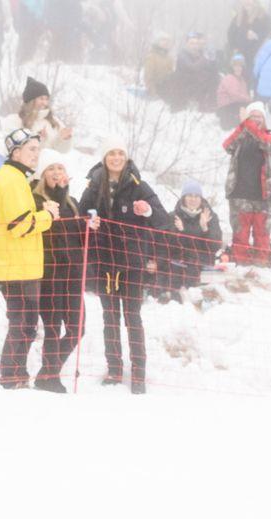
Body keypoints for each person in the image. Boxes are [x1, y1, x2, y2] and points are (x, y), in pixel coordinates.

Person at [77, 137, 168, 395]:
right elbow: (80, 216)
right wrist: (87, 222)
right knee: (110, 318)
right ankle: (115, 367)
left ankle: (138, 372)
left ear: (126, 157)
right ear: (104, 158)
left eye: (120, 153)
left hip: (132, 263)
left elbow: (163, 220)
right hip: (105, 260)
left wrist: (148, 211)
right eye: (111, 153)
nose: (116, 158)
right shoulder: (94, 185)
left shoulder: (139, 185)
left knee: (133, 317)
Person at [0, 129, 57, 389]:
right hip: (17, 266)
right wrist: (47, 215)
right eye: (31, 150)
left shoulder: (11, 178)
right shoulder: (13, 180)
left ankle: (15, 375)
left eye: (38, 150)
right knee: (23, 324)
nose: (36, 155)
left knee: (22, 323)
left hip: (15, 264)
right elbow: (19, 225)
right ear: (15, 153)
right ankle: (12, 377)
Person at [31, 150, 84, 393]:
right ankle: (49, 376)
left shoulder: (72, 202)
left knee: (78, 327)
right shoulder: (36, 198)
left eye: (60, 168)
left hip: (72, 272)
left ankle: (46, 372)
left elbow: (75, 234)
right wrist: (60, 197)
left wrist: (88, 225)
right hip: (49, 271)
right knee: (52, 326)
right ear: (42, 174)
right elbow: (51, 227)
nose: (56, 173)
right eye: (51, 168)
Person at [224, 102, 271, 265]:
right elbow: (227, 145)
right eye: (252, 116)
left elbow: (268, 145)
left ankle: (261, 265)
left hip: (263, 195)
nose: (256, 120)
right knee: (240, 234)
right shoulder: (241, 135)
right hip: (240, 194)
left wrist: (247, 123)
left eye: (259, 116)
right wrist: (243, 126)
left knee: (262, 234)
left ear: (265, 119)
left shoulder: (269, 136)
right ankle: (241, 264)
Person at [161, 180, 223, 297]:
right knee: (176, 296)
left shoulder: (211, 217)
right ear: (184, 198)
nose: (193, 199)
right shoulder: (173, 216)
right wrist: (179, 231)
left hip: (205, 262)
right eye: (189, 196)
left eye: (196, 196)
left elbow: (215, 246)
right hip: (180, 262)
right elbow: (169, 245)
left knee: (211, 294)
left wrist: (205, 229)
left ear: (201, 199)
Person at [0, 77, 73, 154]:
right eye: (41, 99)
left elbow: (61, 152)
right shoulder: (14, 120)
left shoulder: (54, 121)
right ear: (31, 100)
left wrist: (64, 139)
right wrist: (37, 140)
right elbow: (11, 150)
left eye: (46, 99)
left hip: (50, 165)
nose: (44, 103)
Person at [226, 0, 271, 77]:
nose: (247, 2)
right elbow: (230, 34)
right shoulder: (238, 17)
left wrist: (257, 36)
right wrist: (234, 48)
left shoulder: (263, 16)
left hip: (257, 57)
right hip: (242, 59)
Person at [216, 54, 253, 130]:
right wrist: (249, 99)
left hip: (235, 105)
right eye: (235, 66)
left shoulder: (242, 80)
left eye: (240, 66)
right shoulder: (229, 78)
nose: (238, 68)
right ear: (232, 67)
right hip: (227, 106)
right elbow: (235, 95)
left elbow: (243, 94)